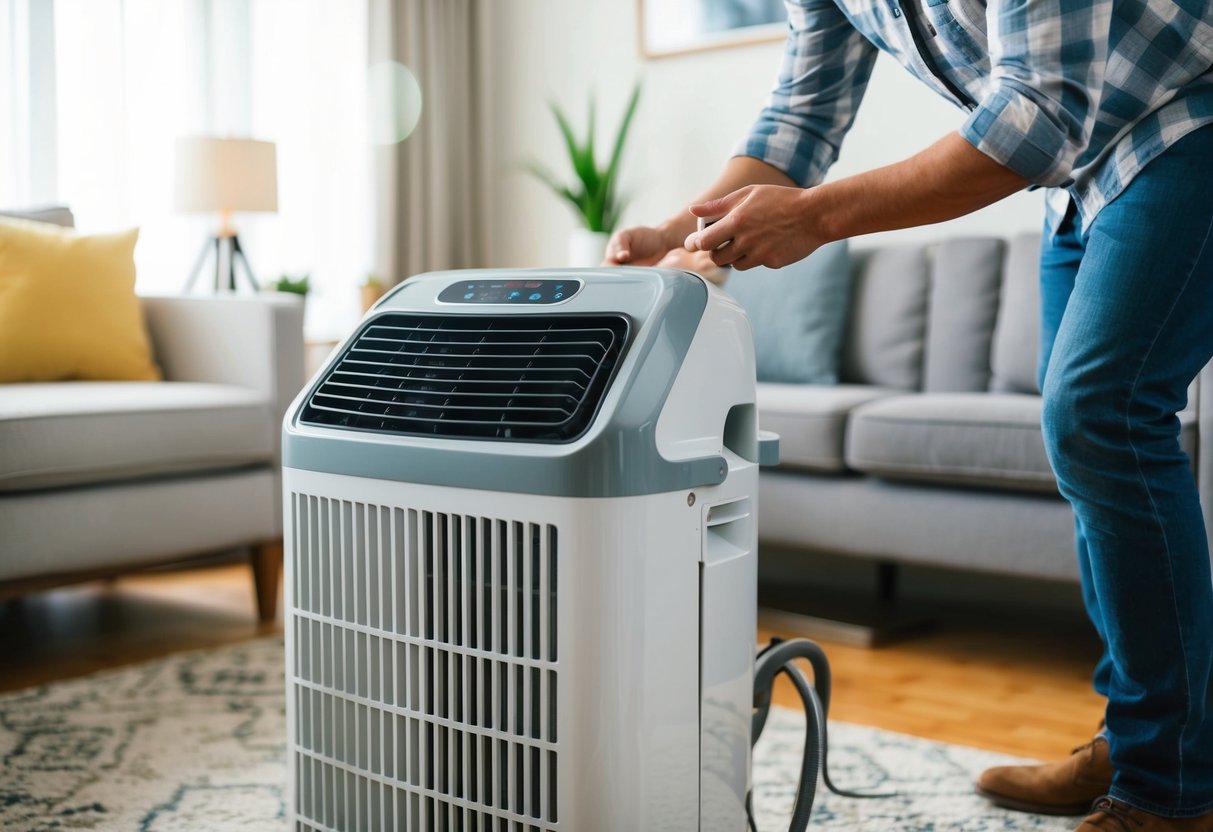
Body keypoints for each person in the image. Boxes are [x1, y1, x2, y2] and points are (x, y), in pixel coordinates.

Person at [604, 1, 1213, 829]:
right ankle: (1134, 736)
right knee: (1084, 440)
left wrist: (816, 217)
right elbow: (798, 118)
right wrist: (681, 231)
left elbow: (1034, 119)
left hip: (1187, 126)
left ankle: (1169, 784)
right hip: (1083, 178)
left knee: (1099, 413)